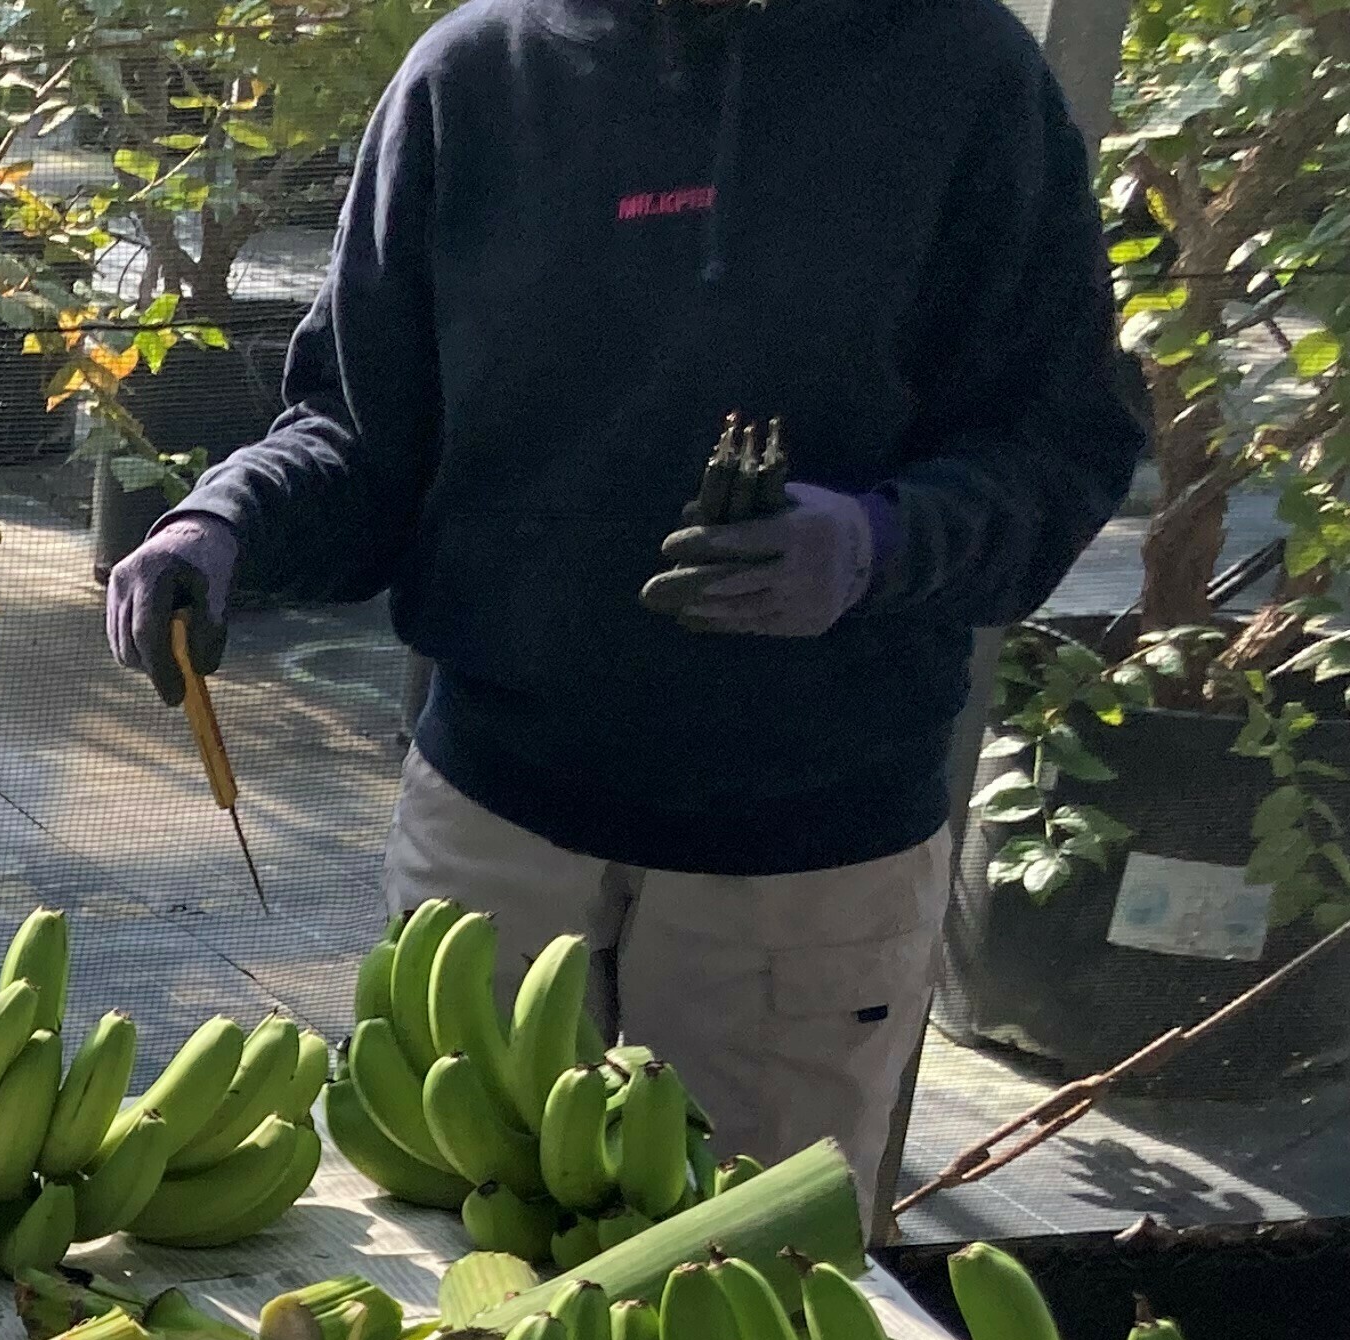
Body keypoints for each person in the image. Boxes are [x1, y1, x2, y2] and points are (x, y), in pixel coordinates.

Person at [103, 0, 1143, 1224]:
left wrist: (879, 544)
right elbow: (361, 434)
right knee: (452, 1263)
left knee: (747, 1297)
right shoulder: (475, 76)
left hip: (804, 861)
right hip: (494, 828)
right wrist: (222, 524)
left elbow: (1059, 443)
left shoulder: (961, 71)